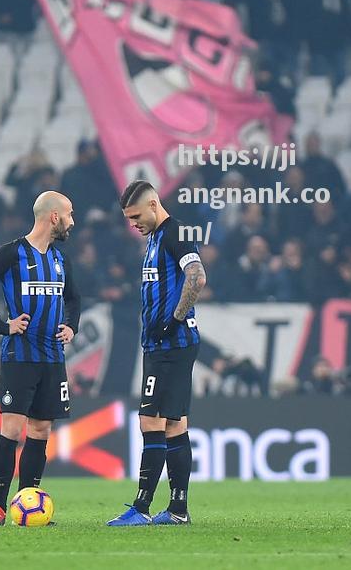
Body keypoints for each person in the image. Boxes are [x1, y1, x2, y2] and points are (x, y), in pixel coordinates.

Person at [0, 191, 79, 527]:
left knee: (41, 430)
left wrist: (72, 325)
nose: (73, 221)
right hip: (20, 357)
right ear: (53, 216)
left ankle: (29, 501)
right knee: (11, 430)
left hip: (53, 357)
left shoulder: (60, 259)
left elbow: (75, 299)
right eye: (69, 214)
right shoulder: (12, 253)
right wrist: (3, 326)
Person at [108, 180, 206, 526]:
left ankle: (142, 507)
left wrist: (174, 320)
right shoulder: (154, 241)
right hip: (162, 345)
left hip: (171, 345)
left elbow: (197, 276)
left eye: (135, 216)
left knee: (150, 419)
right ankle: (178, 509)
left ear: (153, 205)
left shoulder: (175, 233)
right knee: (175, 424)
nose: (132, 223)